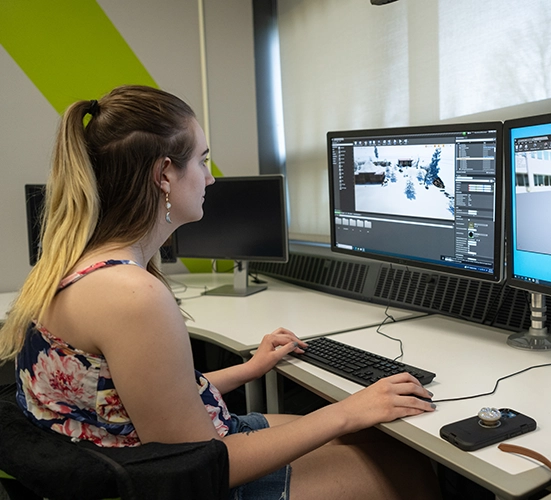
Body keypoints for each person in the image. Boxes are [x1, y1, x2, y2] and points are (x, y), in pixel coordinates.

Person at [0, 85, 441, 500]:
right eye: (202, 161)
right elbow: (197, 464)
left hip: (150, 450)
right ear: (164, 174)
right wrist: (348, 408)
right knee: (408, 466)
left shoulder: (77, 265)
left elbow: (136, 401)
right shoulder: (131, 295)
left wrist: (250, 369)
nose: (210, 179)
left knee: (368, 433)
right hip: (190, 477)